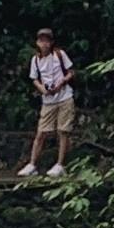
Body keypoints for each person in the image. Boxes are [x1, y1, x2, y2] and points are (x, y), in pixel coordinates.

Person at [18, 31, 75, 178]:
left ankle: (60, 165)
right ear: (37, 43)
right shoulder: (36, 60)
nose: (44, 44)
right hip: (48, 100)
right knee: (41, 132)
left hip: (64, 96)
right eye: (42, 41)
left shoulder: (59, 55)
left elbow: (71, 72)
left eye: (47, 41)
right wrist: (42, 89)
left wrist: (61, 82)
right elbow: (35, 79)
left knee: (63, 131)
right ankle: (32, 164)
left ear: (51, 42)